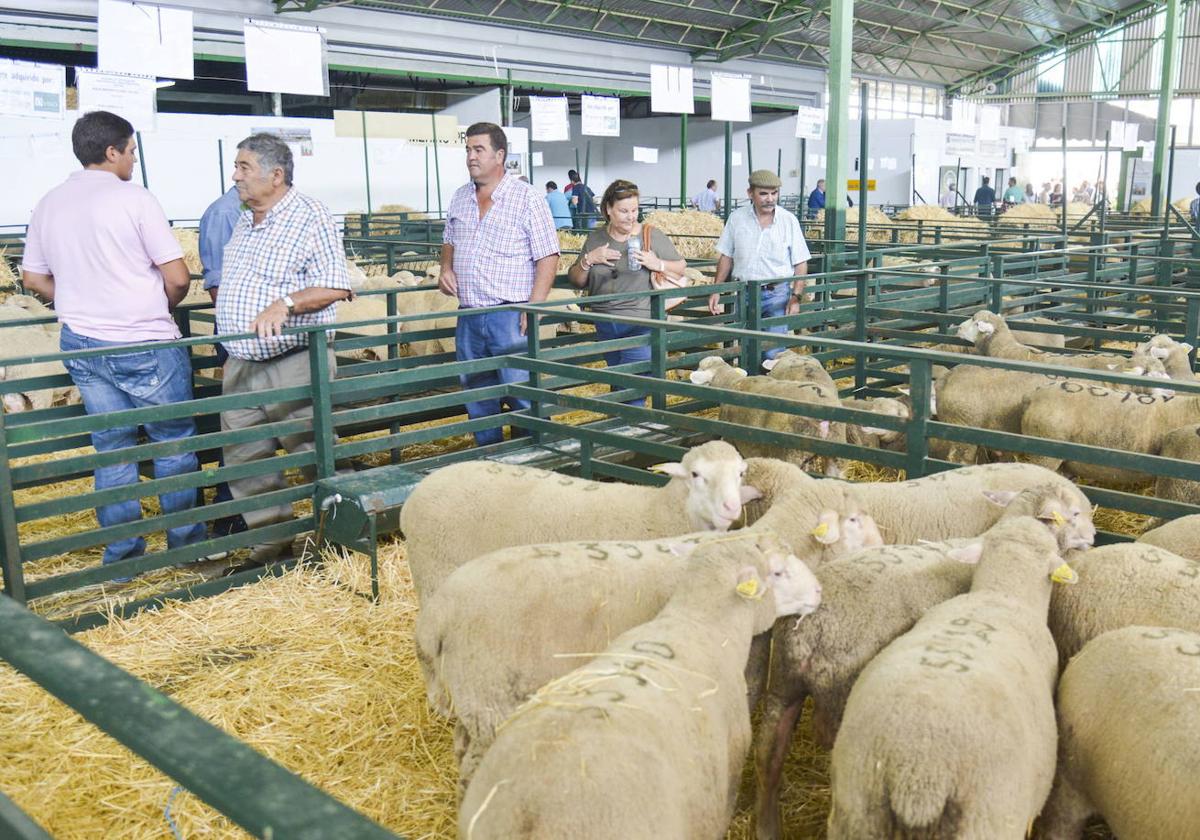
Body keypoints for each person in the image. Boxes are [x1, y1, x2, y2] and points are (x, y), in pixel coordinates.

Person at [20, 110, 208, 577]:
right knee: (173, 443)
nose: (133, 160)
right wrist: (149, 305)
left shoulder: (49, 203)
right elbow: (178, 278)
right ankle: (187, 549)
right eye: (131, 151)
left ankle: (122, 561)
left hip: (83, 342)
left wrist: (80, 301)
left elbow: (32, 278)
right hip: (144, 339)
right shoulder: (135, 199)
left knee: (113, 447)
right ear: (111, 152)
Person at [215, 133, 353, 567]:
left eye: (243, 167)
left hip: (293, 359)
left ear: (276, 175)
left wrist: (286, 303)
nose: (235, 175)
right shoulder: (244, 218)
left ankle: (344, 536)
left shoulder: (310, 215)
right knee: (246, 458)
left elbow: (336, 283)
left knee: (314, 451)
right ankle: (272, 545)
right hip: (241, 362)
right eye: (236, 166)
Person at [440, 122, 559, 447]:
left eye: (478, 150)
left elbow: (548, 255)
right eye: (468, 150)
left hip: (510, 314)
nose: (470, 157)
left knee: (522, 395)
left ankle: (538, 457)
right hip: (469, 315)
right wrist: (445, 267)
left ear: (500, 155)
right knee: (478, 397)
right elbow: (449, 238)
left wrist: (533, 306)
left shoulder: (527, 199)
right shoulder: (460, 198)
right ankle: (490, 462)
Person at [568, 179, 685, 405]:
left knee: (633, 383)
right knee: (621, 379)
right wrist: (589, 260)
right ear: (608, 209)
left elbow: (680, 266)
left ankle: (631, 430)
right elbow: (576, 280)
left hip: (640, 320)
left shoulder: (651, 235)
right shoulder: (596, 239)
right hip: (605, 323)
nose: (631, 217)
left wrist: (656, 263)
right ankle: (623, 429)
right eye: (624, 211)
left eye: (635, 210)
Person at [706, 170, 811, 361]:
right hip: (744, 292)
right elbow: (726, 256)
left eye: (774, 193)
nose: (770, 199)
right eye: (763, 193)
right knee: (746, 349)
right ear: (750, 193)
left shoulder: (788, 221)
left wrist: (796, 297)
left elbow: (800, 262)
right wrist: (717, 290)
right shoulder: (737, 219)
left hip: (777, 294)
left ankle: (769, 389)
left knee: (773, 352)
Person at [198, 182, 244, 537]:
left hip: (276, 335)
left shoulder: (269, 212)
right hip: (242, 335)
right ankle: (229, 507)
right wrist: (233, 341)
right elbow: (218, 286)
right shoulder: (224, 213)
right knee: (240, 421)